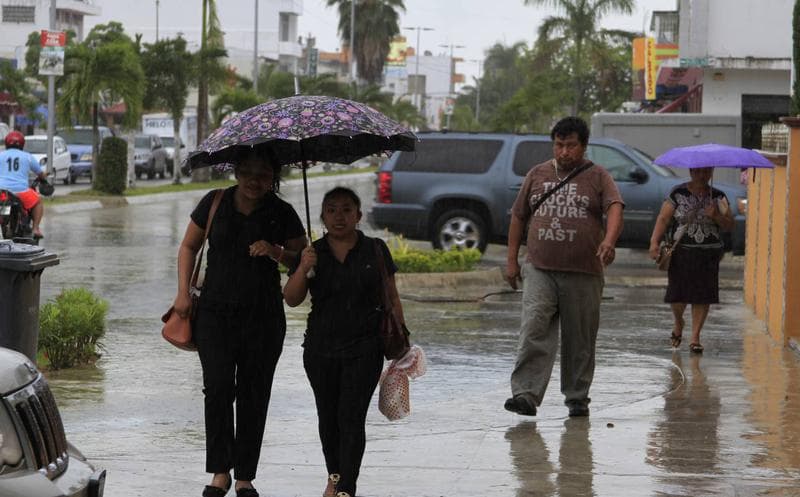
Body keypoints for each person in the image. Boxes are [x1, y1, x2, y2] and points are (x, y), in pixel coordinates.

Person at [172, 150, 307, 497]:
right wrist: (183, 293)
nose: (253, 180)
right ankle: (220, 471)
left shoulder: (283, 212)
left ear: (273, 177)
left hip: (263, 317)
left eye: (262, 174)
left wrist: (276, 252)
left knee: (254, 393)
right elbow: (189, 246)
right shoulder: (214, 202)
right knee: (217, 388)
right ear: (235, 172)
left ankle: (245, 476)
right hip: (215, 314)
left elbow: (302, 260)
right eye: (246, 172)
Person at [283, 187, 404, 497]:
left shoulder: (375, 249)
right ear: (323, 216)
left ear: (358, 216)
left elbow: (391, 296)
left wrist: (401, 338)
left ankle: (346, 487)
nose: (339, 216)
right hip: (320, 350)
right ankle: (335, 475)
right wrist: (302, 266)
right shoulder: (313, 253)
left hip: (365, 348)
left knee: (351, 417)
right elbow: (292, 299)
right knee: (328, 416)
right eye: (332, 209)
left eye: (347, 209)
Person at [503, 116, 625, 418]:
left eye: (571, 146)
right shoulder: (537, 174)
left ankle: (577, 397)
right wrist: (511, 261)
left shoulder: (598, 176)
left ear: (583, 147)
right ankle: (526, 394)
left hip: (585, 272)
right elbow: (518, 216)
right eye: (559, 145)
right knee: (534, 328)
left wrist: (609, 241)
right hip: (540, 268)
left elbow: (615, 208)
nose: (564, 152)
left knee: (580, 338)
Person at [648, 166, 733, 354]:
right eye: (698, 172)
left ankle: (695, 337)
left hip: (708, 254)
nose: (702, 176)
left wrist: (716, 216)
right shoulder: (678, 193)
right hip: (682, 252)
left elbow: (729, 225)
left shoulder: (718, 197)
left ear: (711, 172)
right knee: (677, 296)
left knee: (703, 296)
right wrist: (654, 242)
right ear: (691, 172)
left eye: (706, 172)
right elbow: (663, 218)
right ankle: (679, 322)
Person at [0, 131, 47, 238]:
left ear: (6, 143)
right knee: (38, 201)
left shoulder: (1, 155)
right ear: (22, 144)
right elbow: (40, 173)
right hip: (21, 193)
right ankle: (35, 229)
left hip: (2, 192)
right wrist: (43, 177)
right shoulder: (27, 157)